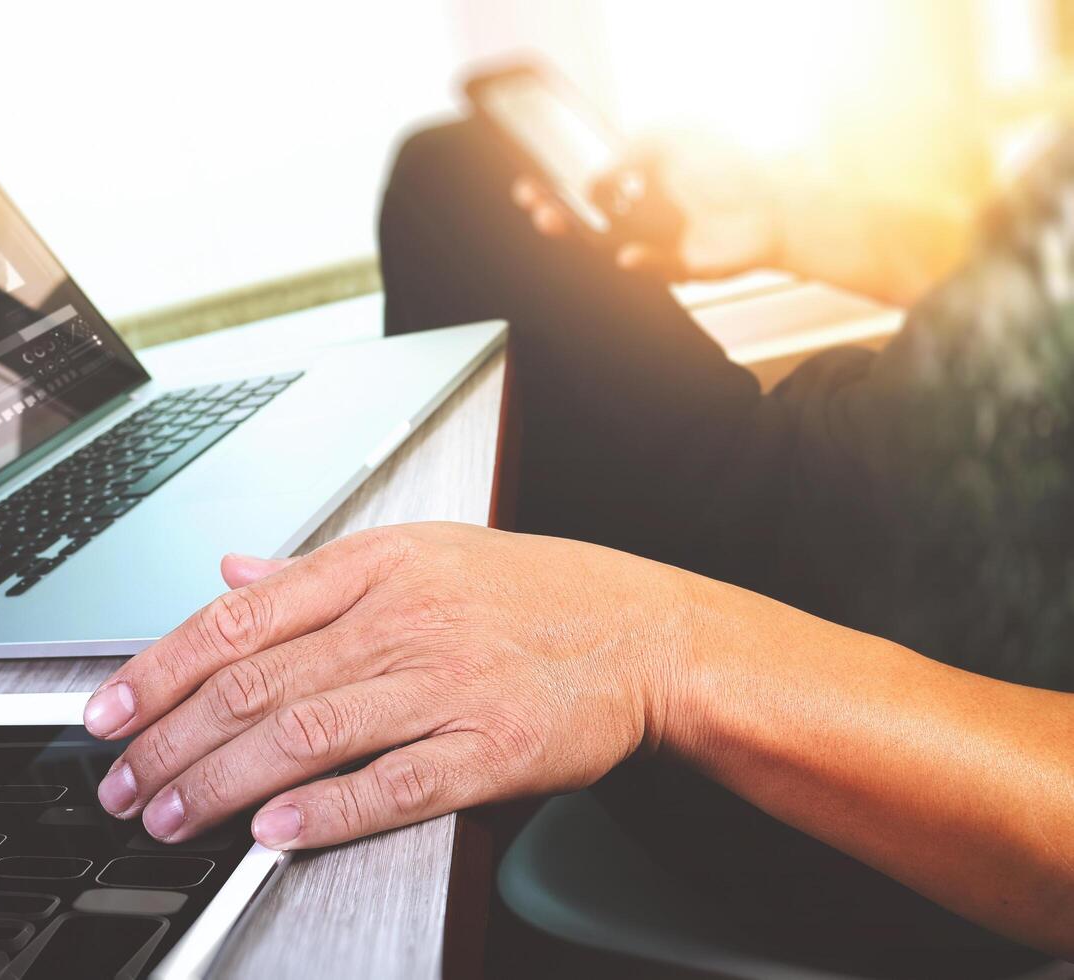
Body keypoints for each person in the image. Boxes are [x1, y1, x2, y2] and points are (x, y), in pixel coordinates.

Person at [80, 116, 1074, 969]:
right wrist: (797, 221)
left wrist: (661, 642)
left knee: (455, 188)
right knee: (467, 169)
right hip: (872, 465)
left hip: (899, 695)